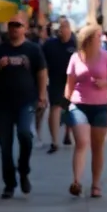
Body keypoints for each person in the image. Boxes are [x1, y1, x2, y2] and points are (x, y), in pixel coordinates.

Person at [0, 13, 48, 198]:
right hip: (3, 103)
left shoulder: (33, 49)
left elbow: (41, 72)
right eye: (11, 25)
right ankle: (9, 184)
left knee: (25, 134)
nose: (14, 28)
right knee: (5, 146)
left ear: (25, 28)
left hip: (26, 101)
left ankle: (24, 169)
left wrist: (42, 96)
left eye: (18, 25)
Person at [64, 23, 107, 198]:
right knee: (81, 142)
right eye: (98, 36)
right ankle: (77, 182)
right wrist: (67, 104)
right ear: (88, 39)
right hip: (79, 105)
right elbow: (69, 84)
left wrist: (105, 84)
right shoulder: (75, 58)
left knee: (97, 147)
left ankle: (95, 184)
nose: (101, 39)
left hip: (101, 106)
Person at [43, 16, 78, 153]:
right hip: (55, 79)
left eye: (64, 27)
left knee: (70, 108)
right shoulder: (50, 44)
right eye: (60, 28)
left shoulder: (76, 44)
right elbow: (42, 63)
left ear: (69, 29)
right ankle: (54, 141)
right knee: (55, 107)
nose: (61, 30)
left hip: (73, 80)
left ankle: (67, 133)